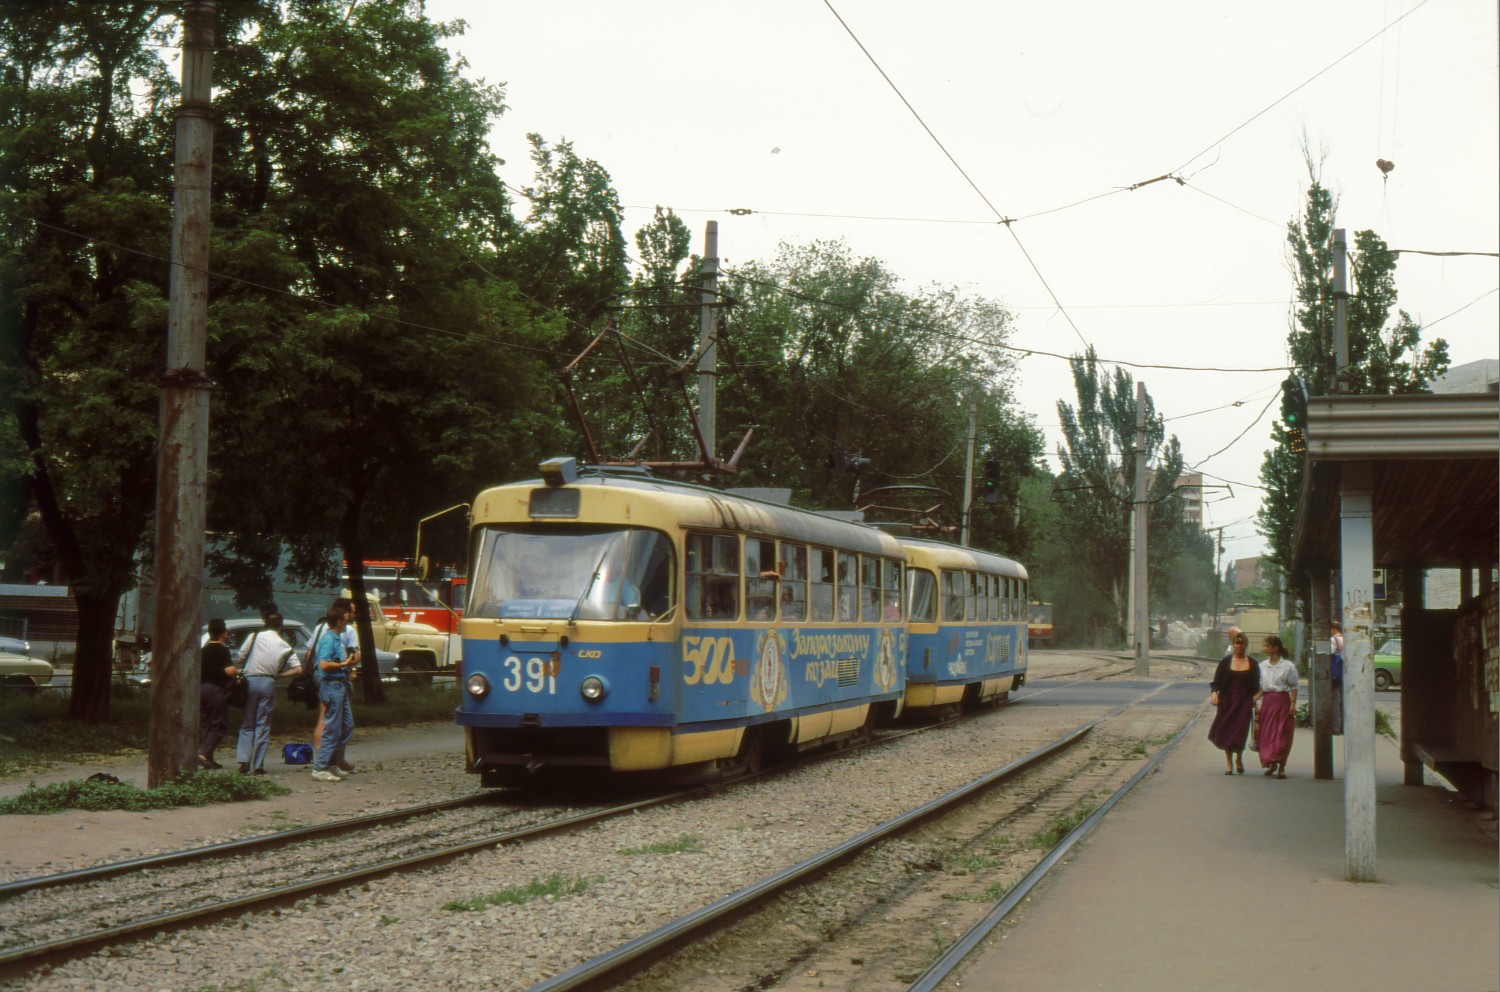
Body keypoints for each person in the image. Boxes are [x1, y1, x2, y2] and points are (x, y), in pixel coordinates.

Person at [234, 613, 297, 776]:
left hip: (250, 681)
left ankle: (243, 761)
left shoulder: (253, 637)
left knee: (247, 723)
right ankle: (258, 765)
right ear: (280, 626)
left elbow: (241, 658)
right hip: (268, 682)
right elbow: (298, 669)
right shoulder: (284, 645)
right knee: (263, 724)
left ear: (264, 623)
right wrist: (280, 675)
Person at [305, 597, 360, 774]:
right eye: (348, 615)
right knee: (331, 725)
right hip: (332, 682)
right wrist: (345, 665)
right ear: (339, 619)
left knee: (342, 724)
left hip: (333, 681)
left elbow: (309, 654)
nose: (350, 619)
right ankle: (322, 765)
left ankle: (330, 761)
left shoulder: (328, 632)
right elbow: (325, 664)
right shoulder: (333, 637)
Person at [1206, 630, 1260, 775]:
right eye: (1237, 643)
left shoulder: (1253, 663)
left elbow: (1256, 686)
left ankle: (1239, 758)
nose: (1239, 646)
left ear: (1246, 645)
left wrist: (1254, 700)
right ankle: (1229, 762)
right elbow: (1216, 682)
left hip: (1244, 701)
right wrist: (1214, 695)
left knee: (1240, 731)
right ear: (1233, 644)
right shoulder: (1226, 662)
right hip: (1227, 700)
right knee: (1228, 730)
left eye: (1242, 644)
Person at [198, 618, 238, 770]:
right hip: (215, 690)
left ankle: (208, 758)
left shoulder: (203, 650)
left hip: (201, 689)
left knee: (206, 724)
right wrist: (237, 671)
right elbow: (229, 671)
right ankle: (203, 753)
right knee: (219, 725)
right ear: (223, 633)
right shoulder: (222, 650)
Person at [1257, 635, 1299, 778]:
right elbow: (1263, 688)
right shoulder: (1262, 666)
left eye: (1267, 646)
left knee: (1282, 735)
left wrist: (1293, 703)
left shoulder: (1288, 666)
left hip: (1282, 703)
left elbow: (1294, 686)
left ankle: (1282, 766)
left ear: (1275, 648)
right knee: (1268, 735)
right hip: (1268, 703)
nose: (1264, 648)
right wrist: (1253, 700)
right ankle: (1271, 763)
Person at [1329, 621, 1345, 735]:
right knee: (1343, 700)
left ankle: (1335, 727)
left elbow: (1327, 653)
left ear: (1333, 629)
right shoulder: (1346, 639)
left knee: (1335, 699)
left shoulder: (1333, 640)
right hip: (1344, 673)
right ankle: (1344, 726)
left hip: (1335, 674)